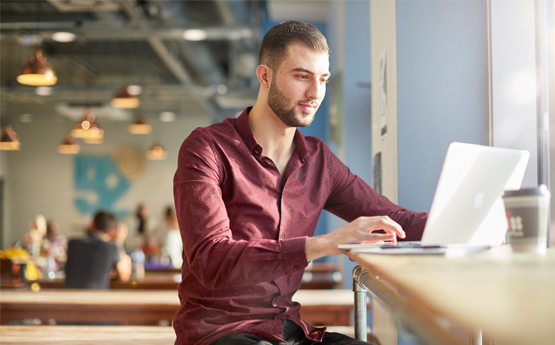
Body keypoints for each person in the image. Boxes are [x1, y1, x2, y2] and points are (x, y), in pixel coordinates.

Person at [172, 21, 428, 345]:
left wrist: (471, 228)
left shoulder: (320, 161)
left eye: (322, 80)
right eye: (302, 76)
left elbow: (395, 221)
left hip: (288, 331)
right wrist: (321, 245)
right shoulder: (206, 148)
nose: (315, 93)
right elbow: (210, 259)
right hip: (218, 334)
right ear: (264, 76)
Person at [64, 211, 131, 289]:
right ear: (112, 231)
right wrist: (119, 241)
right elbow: (124, 277)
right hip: (95, 297)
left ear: (93, 224)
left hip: (69, 294)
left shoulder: (72, 243)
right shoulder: (111, 247)